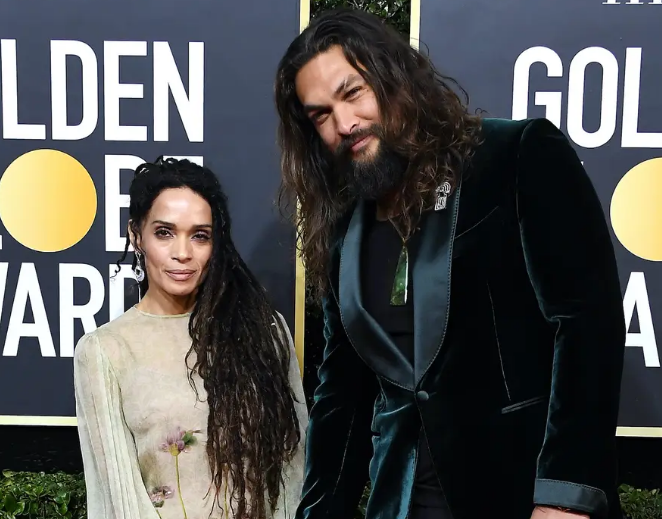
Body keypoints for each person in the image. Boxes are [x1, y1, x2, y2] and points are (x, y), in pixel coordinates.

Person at [274, 8, 625, 519]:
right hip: (405, 503)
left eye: (353, 93)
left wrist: (564, 495)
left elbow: (585, 324)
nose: (344, 123)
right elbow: (341, 399)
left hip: (522, 494)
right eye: (321, 115)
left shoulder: (513, 156)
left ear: (393, 78)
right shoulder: (344, 231)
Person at [74, 157, 308, 519]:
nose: (182, 253)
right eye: (164, 232)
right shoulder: (106, 351)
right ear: (137, 235)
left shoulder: (265, 331)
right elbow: (115, 494)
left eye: (199, 235)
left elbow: (293, 466)